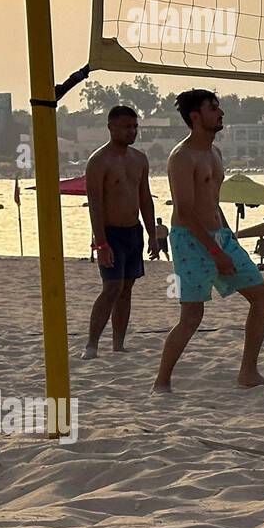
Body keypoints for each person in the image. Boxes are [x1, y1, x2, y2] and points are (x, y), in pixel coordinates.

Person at [156, 90, 264, 392]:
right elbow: (185, 210)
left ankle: (248, 372)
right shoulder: (182, 157)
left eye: (219, 107)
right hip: (189, 240)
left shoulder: (215, 153)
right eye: (213, 108)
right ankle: (162, 381)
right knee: (192, 316)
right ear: (195, 116)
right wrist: (215, 252)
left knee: (263, 298)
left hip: (219, 235)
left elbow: (213, 201)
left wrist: (227, 239)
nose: (220, 113)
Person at [82, 105, 158, 360]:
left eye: (134, 127)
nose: (131, 131)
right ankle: (92, 344)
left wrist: (152, 233)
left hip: (133, 231)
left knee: (127, 288)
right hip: (110, 232)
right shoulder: (99, 161)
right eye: (126, 127)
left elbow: (145, 198)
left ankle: (118, 344)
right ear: (111, 127)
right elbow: (94, 203)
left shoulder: (139, 159)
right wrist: (101, 244)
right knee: (111, 287)